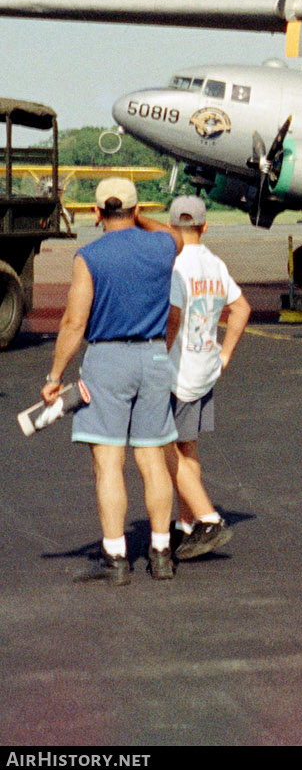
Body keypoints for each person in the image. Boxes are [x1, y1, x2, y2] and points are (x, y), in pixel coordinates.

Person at [41, 177, 180, 584]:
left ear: (97, 212)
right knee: (153, 460)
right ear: (136, 210)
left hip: (108, 359)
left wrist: (55, 375)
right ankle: (161, 553)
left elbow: (74, 323)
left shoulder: (89, 256)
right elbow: (174, 235)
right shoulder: (162, 245)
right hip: (154, 356)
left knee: (109, 463)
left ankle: (116, 557)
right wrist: (141, 218)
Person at [159, 195, 250, 560]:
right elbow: (241, 307)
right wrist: (225, 354)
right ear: (204, 226)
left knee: (164, 449)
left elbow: (173, 319)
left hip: (175, 372)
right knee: (188, 447)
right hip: (204, 369)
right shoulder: (214, 263)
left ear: (170, 228)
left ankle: (207, 518)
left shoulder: (176, 264)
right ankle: (185, 525)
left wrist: (153, 357)